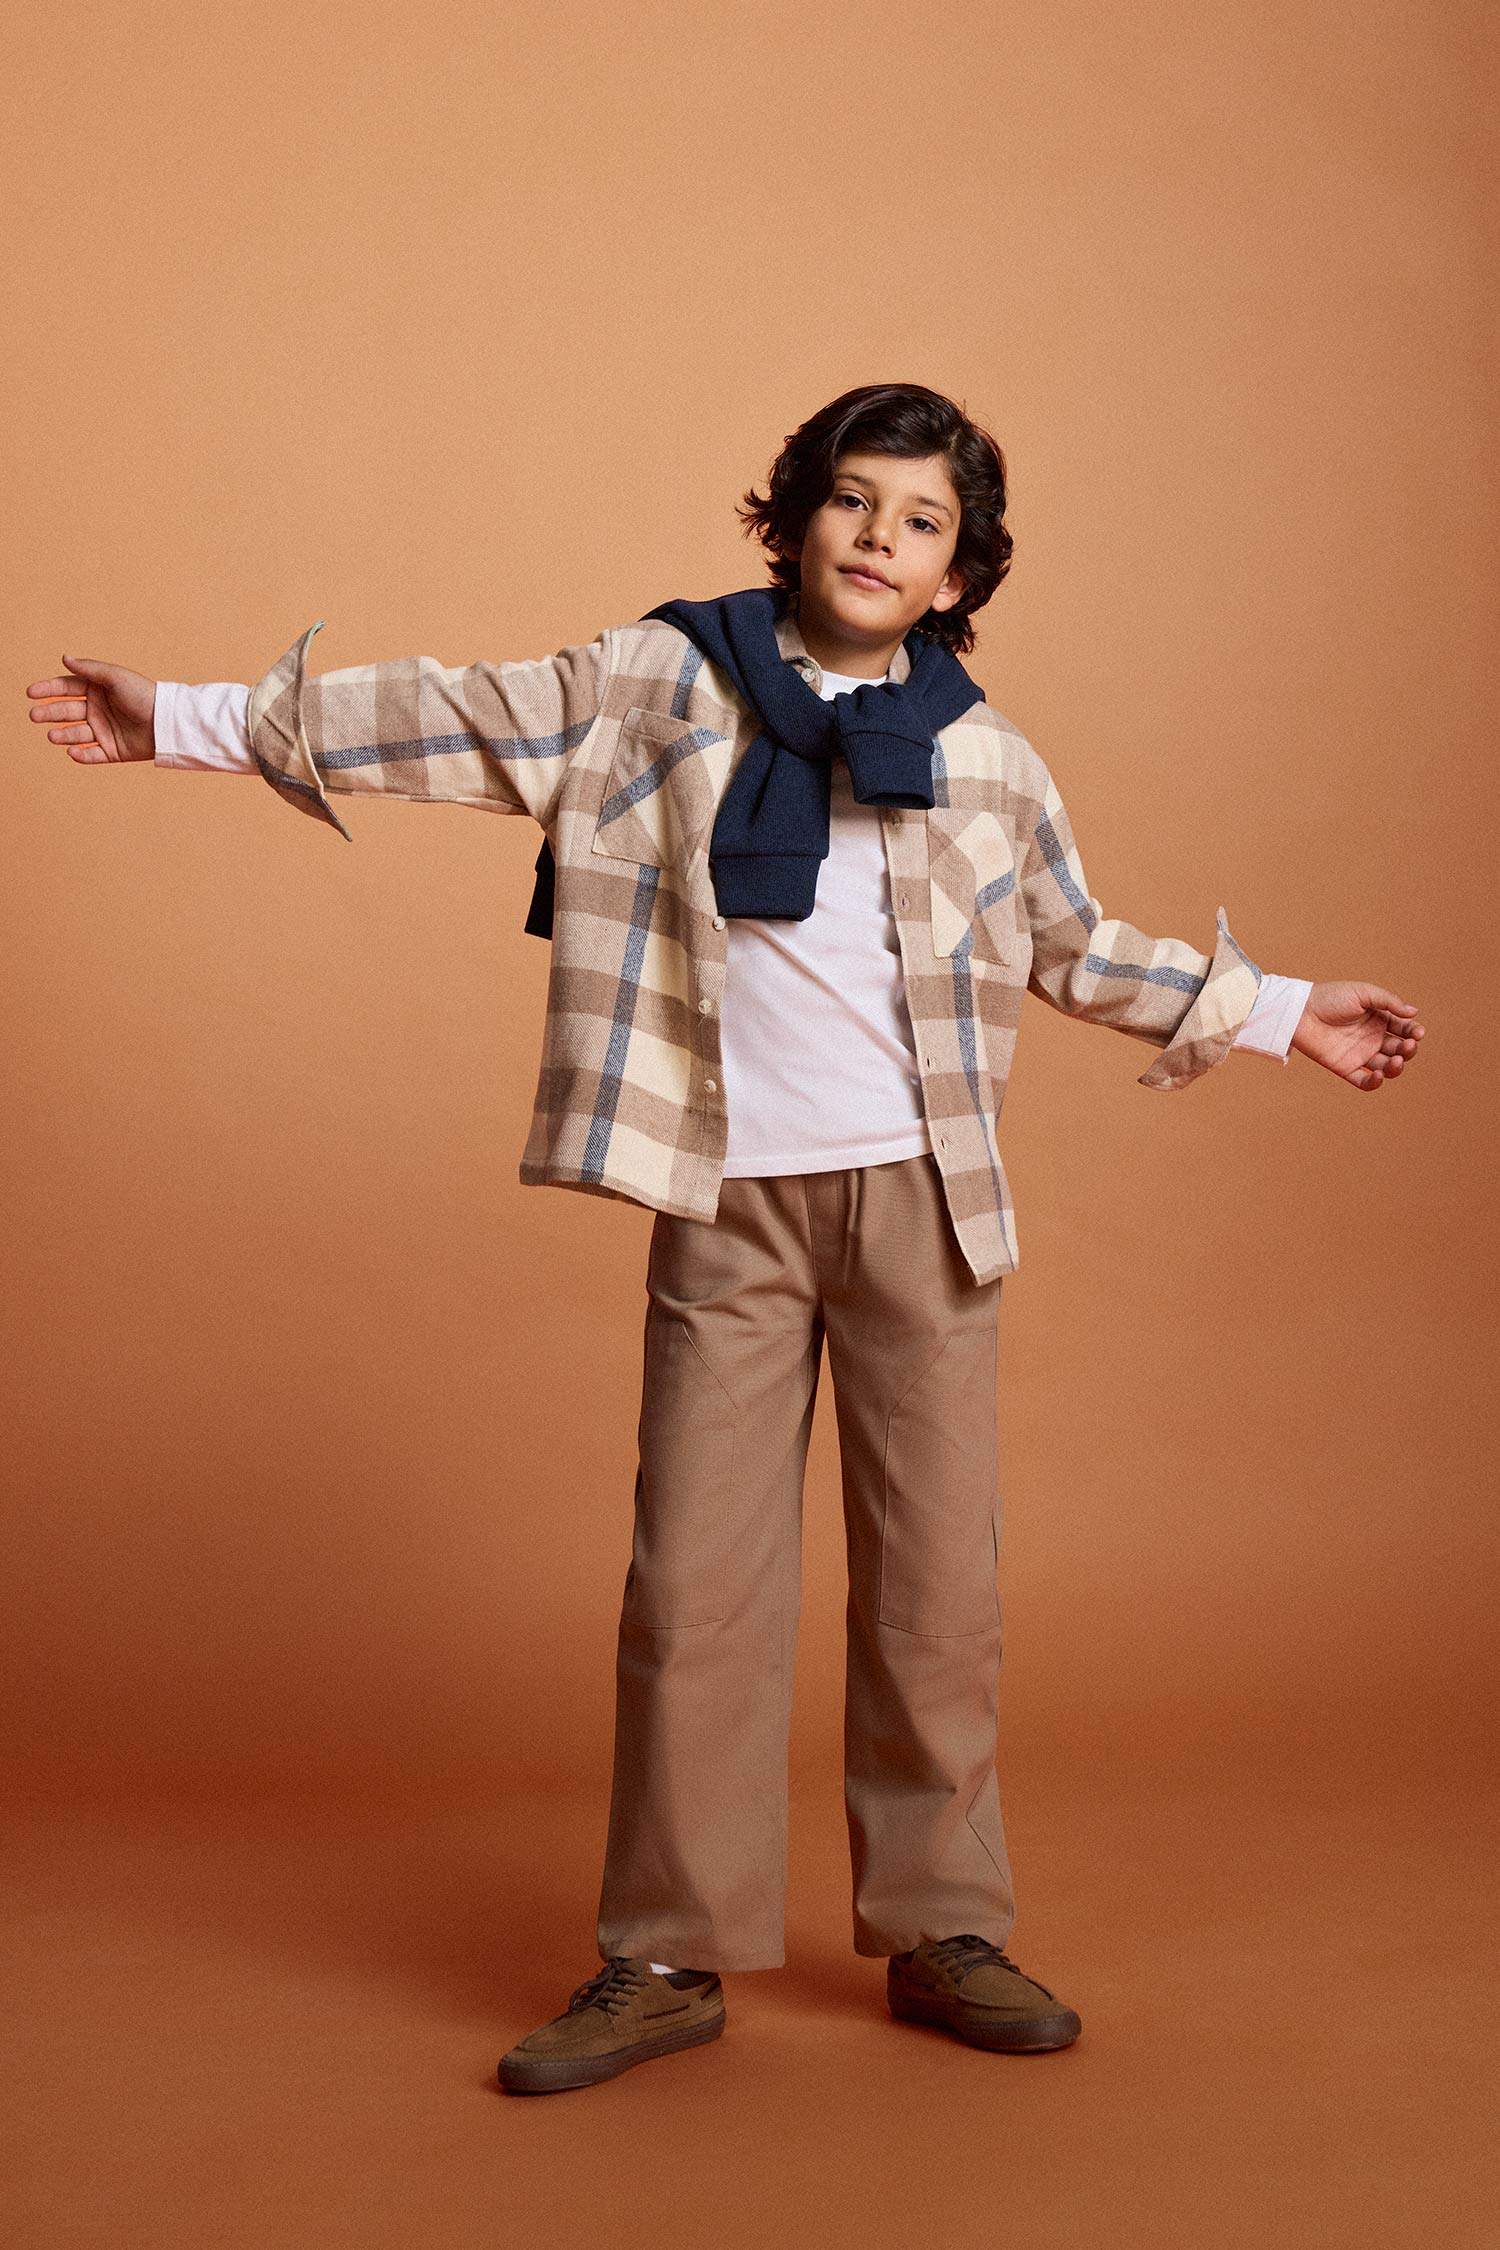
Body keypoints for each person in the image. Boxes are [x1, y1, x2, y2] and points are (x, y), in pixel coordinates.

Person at [24, 381, 1423, 2097]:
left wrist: (1281, 1008)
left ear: (959, 570)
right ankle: (666, 1951)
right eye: (853, 499)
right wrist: (181, 716)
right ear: (795, 515)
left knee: (937, 1594)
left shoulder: (984, 756)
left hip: (921, 1201)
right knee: (695, 1589)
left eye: (921, 521)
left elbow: (1074, 943)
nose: (879, 537)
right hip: (729, 1198)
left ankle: (943, 1924)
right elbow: (450, 716)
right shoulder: (658, 680)